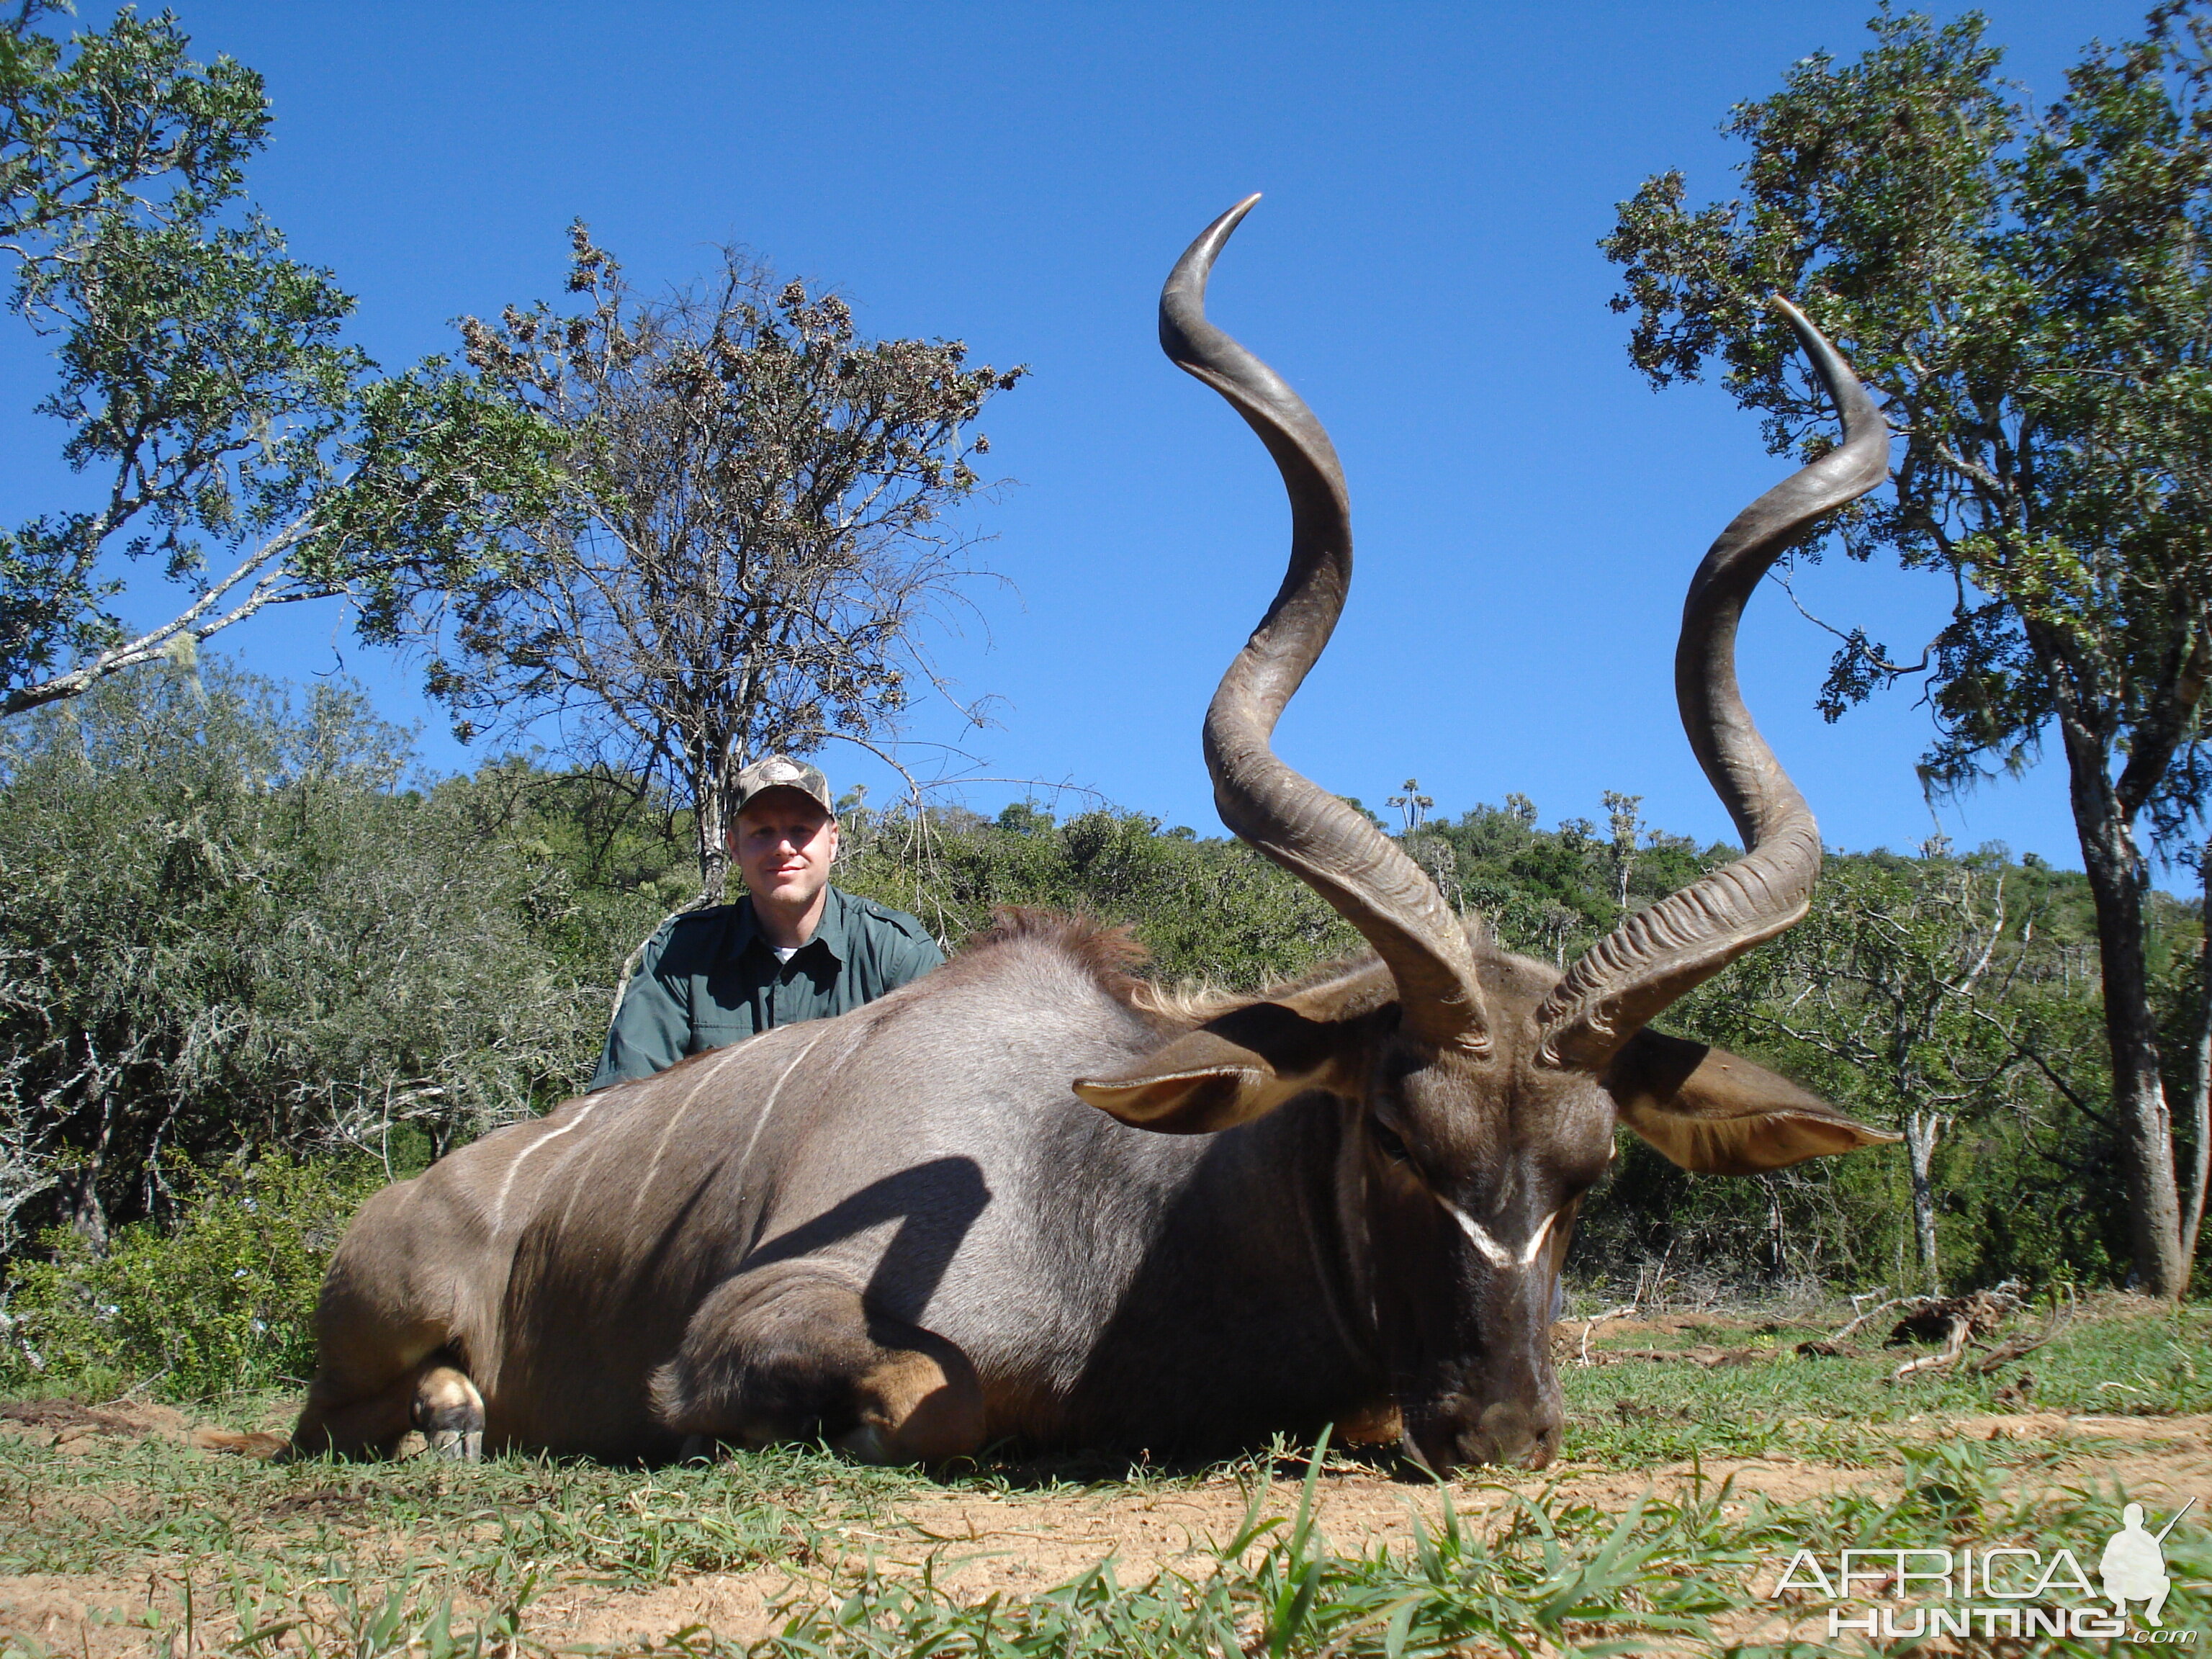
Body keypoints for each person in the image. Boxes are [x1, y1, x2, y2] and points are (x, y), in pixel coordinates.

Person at [590, 755, 944, 1089]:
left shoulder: (896, 953)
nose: (784, 847)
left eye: (801, 829)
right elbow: (622, 1107)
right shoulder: (679, 954)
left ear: (832, 842)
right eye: (762, 832)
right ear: (734, 846)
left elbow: (947, 1097)